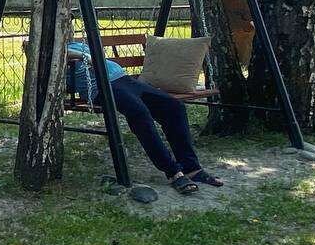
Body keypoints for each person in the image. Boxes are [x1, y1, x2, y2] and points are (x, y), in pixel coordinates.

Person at [67, 41, 223, 195]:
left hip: (125, 80)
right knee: (140, 114)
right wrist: (84, 56)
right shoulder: (57, 46)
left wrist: (86, 53)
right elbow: (64, 56)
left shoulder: (78, 43)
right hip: (102, 87)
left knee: (174, 107)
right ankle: (173, 172)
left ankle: (192, 168)